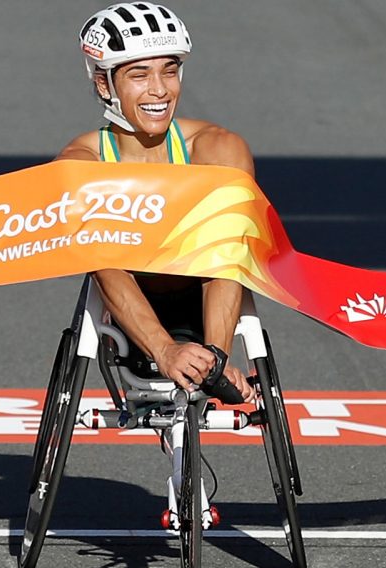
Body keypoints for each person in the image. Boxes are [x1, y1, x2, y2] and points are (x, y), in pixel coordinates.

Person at [57, 2, 256, 402]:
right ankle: (172, 350)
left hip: (208, 296)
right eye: (139, 75)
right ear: (104, 85)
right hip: (131, 305)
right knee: (102, 254)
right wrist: (165, 350)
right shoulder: (81, 163)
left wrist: (214, 359)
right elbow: (103, 264)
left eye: (169, 70)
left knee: (226, 233)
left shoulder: (217, 147)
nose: (160, 90)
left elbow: (228, 256)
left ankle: (211, 360)